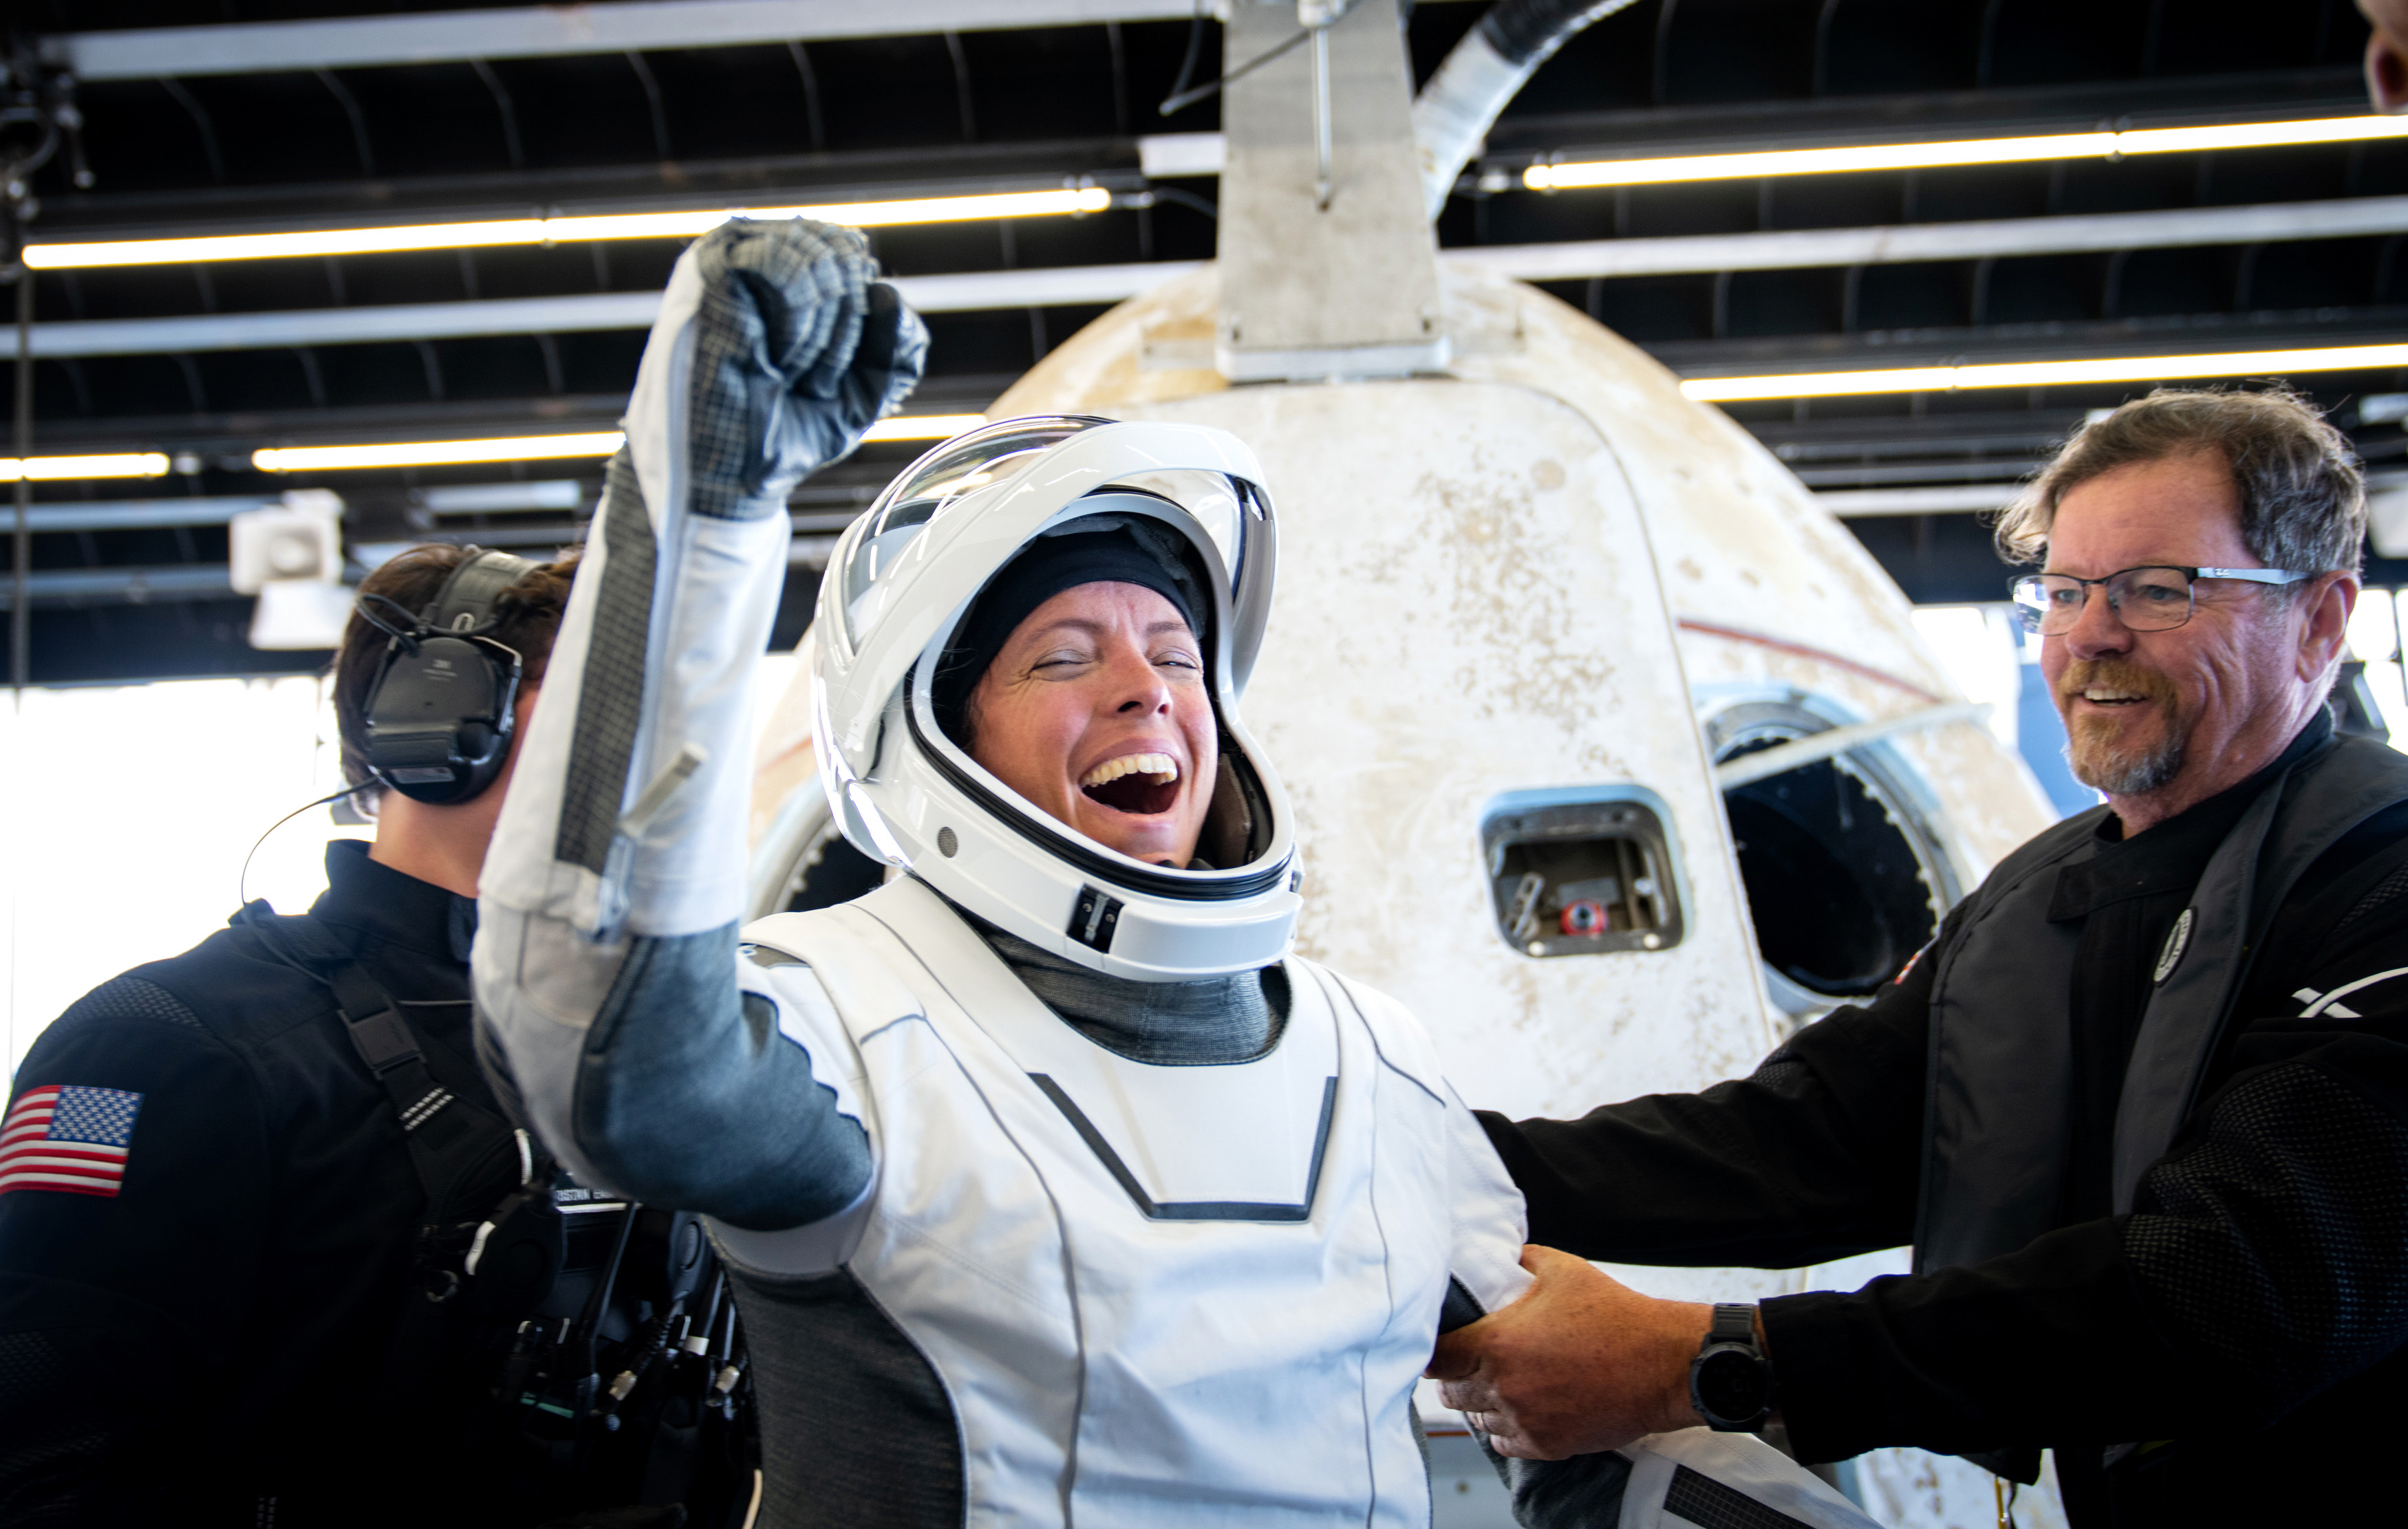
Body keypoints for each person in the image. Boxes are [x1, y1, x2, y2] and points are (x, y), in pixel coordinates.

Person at [471, 216, 1878, 1528]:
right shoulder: (837, 1019)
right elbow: (603, 1051)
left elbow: (1572, 1416)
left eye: (1176, 651)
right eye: (1062, 657)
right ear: (938, 736)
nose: (1147, 689)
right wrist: (705, 515)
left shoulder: (1368, 1053)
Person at [1429, 387, 2408, 1527]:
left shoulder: (2380, 887)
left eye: (2157, 590)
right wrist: (1440, 1171)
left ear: (2321, 620)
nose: (2090, 636)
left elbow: (2242, 1287)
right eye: (2065, 591)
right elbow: (1802, 1143)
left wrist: (1712, 1361)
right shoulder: (2040, 906)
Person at [0, 543, 755, 1527]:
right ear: (436, 718)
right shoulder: (157, 1046)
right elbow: (41, 1472)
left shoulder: (667, 1046)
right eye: (598, 699)